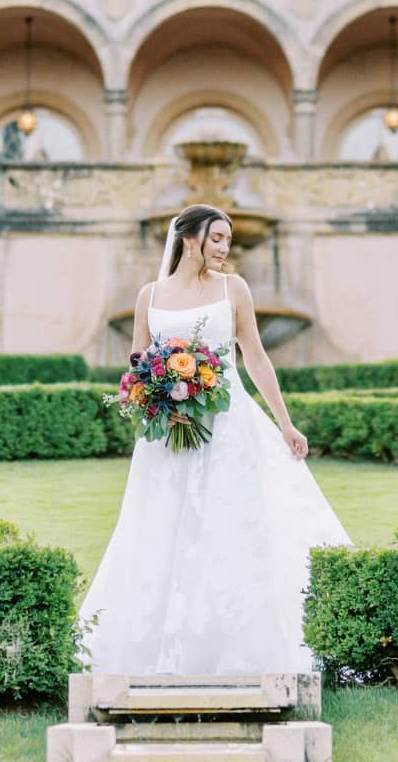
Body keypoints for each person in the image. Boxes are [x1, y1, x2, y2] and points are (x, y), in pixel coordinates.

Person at [77, 203, 351, 676]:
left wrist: (285, 423)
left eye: (228, 239)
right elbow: (138, 364)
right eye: (217, 238)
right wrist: (157, 398)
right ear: (189, 240)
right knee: (160, 526)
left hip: (229, 426)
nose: (225, 248)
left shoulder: (234, 289)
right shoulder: (150, 296)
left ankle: (241, 649)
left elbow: (256, 358)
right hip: (167, 433)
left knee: (234, 525)